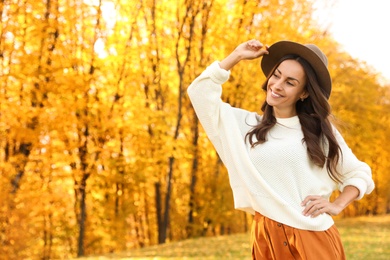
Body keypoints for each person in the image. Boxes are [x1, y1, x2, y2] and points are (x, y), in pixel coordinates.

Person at [187, 39, 375, 260]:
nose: (277, 85)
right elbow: (199, 93)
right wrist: (236, 55)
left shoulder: (320, 132)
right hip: (265, 238)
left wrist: (337, 204)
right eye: (276, 75)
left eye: (290, 82)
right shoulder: (244, 127)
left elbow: (359, 173)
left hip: (312, 239)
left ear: (304, 93)